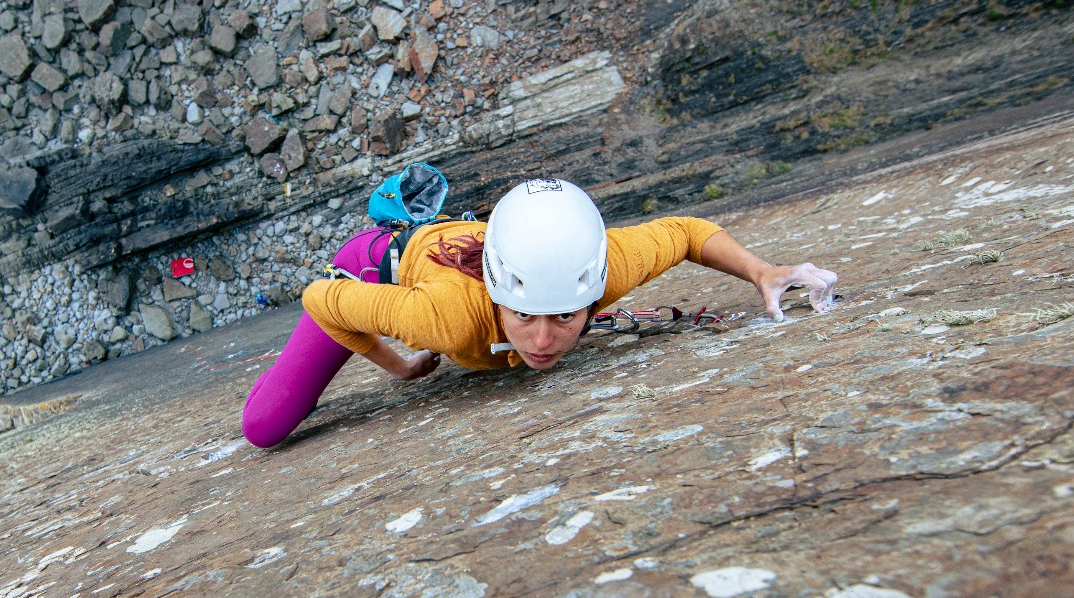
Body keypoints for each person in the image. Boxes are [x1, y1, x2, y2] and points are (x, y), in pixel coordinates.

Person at [241, 177, 837, 448]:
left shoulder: (599, 269)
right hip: (376, 265)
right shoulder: (444, 317)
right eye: (524, 316)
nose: (544, 342)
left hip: (482, 242)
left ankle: (430, 216)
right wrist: (402, 367)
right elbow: (320, 299)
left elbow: (684, 232)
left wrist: (762, 271)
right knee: (264, 427)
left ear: (590, 295)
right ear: (497, 294)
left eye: (566, 317)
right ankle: (396, 224)